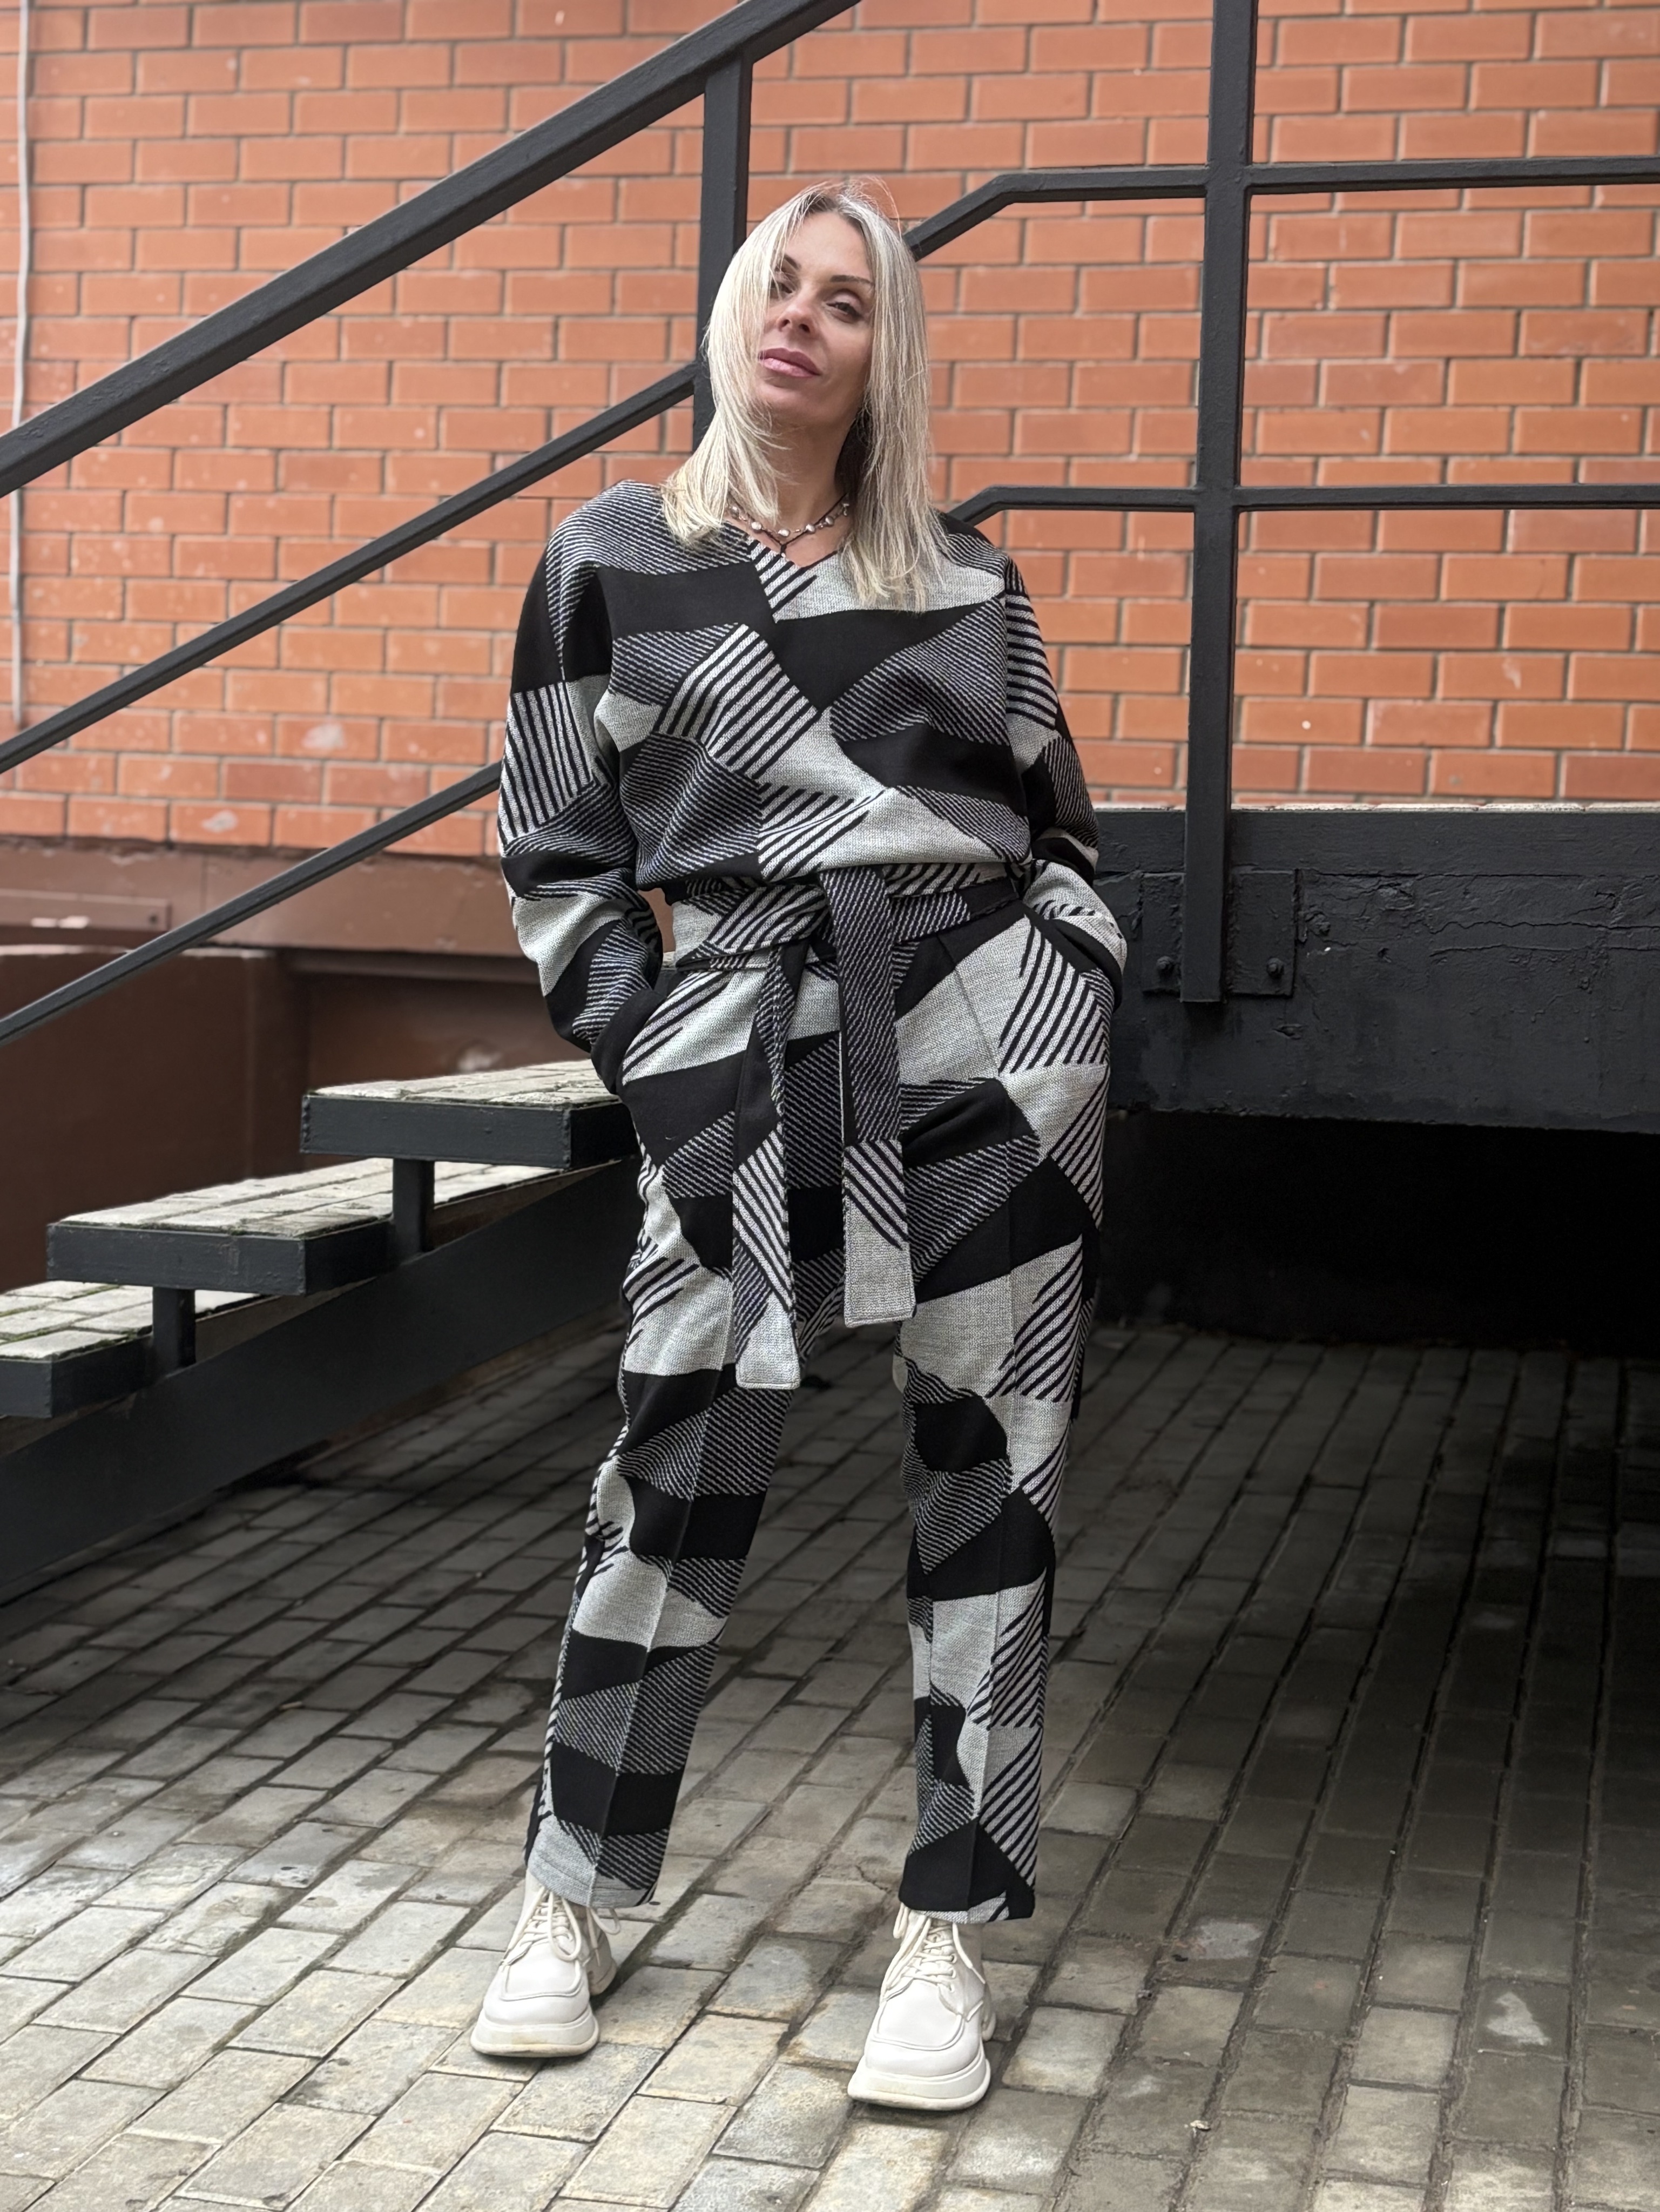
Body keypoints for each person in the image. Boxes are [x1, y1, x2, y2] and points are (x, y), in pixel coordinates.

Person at [470, 178, 1125, 2114]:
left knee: (989, 1483)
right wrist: (645, 1038)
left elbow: (1059, 819)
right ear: (729, 312)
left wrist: (1068, 979)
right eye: (778, 282)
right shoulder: (610, 557)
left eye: (846, 299)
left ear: (878, 350)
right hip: (741, 1040)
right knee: (673, 1466)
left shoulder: (970, 580)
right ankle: (572, 1892)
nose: (801, 318)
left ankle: (948, 1929)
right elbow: (552, 848)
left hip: (986, 1033)